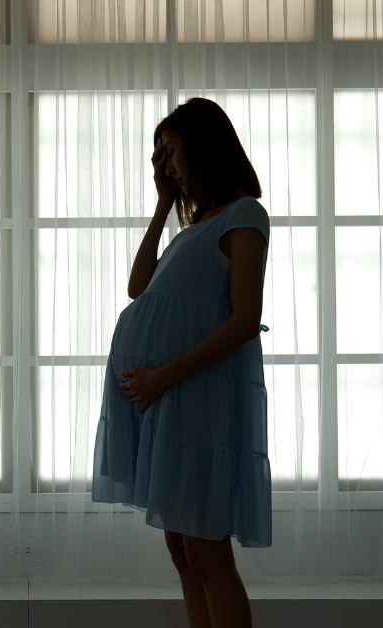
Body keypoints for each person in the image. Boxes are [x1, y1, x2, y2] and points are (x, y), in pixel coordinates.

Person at [91, 97, 271, 628]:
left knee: (207, 552)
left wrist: (160, 378)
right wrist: (163, 204)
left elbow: (243, 321)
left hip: (195, 396)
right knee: (183, 552)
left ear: (202, 144)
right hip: (168, 401)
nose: (163, 165)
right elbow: (137, 286)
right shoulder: (195, 226)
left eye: (169, 151)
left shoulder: (245, 215)